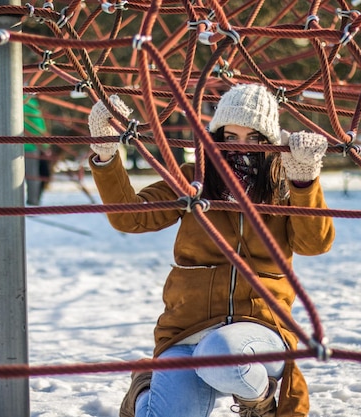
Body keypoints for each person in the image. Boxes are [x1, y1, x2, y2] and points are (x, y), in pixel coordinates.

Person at [87, 84, 335, 417]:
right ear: (215, 135)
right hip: (187, 330)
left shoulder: (281, 185)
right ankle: (146, 387)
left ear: (270, 139)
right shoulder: (196, 180)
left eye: (254, 137)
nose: (239, 146)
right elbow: (132, 217)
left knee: (223, 354)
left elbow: (314, 243)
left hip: (260, 330)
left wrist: (303, 182)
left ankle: (260, 402)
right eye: (229, 136)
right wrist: (106, 152)